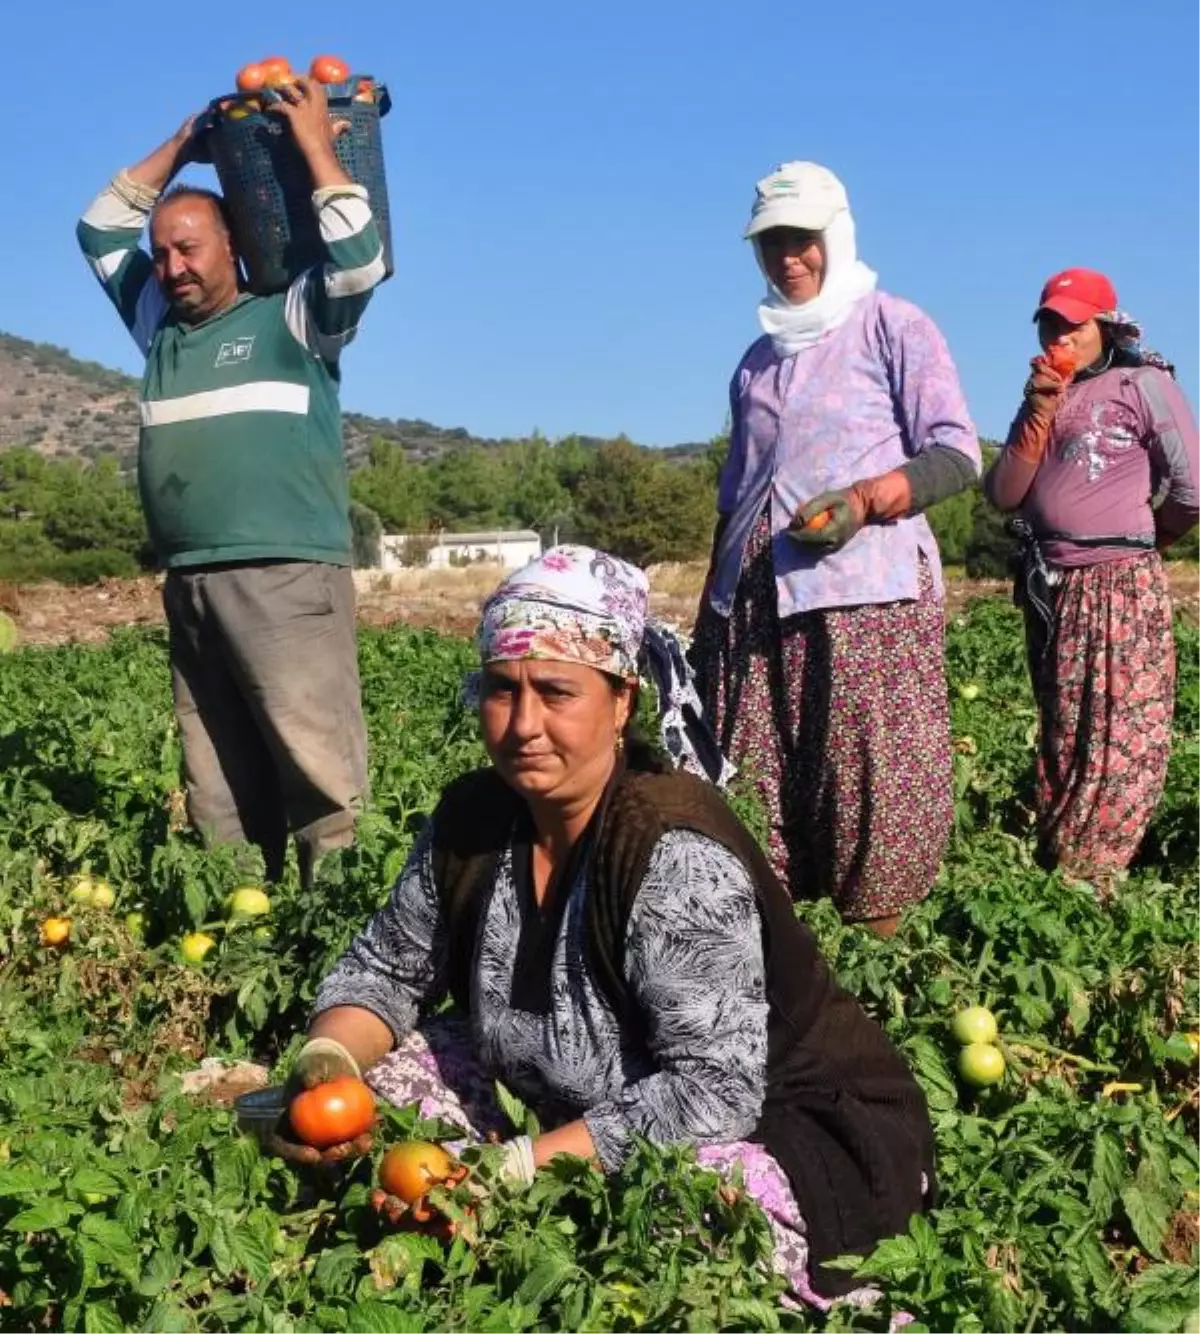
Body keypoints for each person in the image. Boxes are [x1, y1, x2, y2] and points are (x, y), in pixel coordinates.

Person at [271, 546, 936, 1307]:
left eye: (556, 692)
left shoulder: (672, 852)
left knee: (694, 1207)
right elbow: (386, 972)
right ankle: (508, 1199)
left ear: (622, 701)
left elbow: (713, 1090)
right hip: (577, 1103)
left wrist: (517, 1169)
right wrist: (329, 1065)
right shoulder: (474, 820)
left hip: (785, 1122)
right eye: (501, 690)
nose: (523, 725)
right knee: (384, 1082)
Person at [76, 78, 386, 886]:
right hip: (191, 582)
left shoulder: (290, 318)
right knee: (215, 779)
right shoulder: (159, 328)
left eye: (192, 248)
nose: (173, 266)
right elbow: (100, 227)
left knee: (320, 773)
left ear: (234, 249)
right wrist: (184, 143)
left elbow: (359, 261)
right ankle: (241, 928)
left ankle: (339, 940)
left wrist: (316, 141)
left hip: (285, 576)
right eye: (166, 251)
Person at [691, 161, 980, 937]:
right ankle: (781, 964)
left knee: (867, 775)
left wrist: (863, 501)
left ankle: (877, 963)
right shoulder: (755, 362)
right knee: (754, 779)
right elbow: (733, 497)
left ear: (836, 236)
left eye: (803, 239)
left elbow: (955, 453)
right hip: (751, 602)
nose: (790, 257)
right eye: (772, 243)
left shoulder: (893, 325)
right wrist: (705, 620)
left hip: (865, 591)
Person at [984, 268, 1200, 886]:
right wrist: (1038, 408)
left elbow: (1191, 487)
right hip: (1049, 585)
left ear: (1104, 326)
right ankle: (1062, 859)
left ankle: (1095, 869)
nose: (1060, 334)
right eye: (1050, 322)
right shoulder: (1045, 395)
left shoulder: (1143, 384)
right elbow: (1005, 492)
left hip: (1117, 582)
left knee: (1119, 727)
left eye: (1073, 324)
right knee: (1065, 727)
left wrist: (1140, 542)